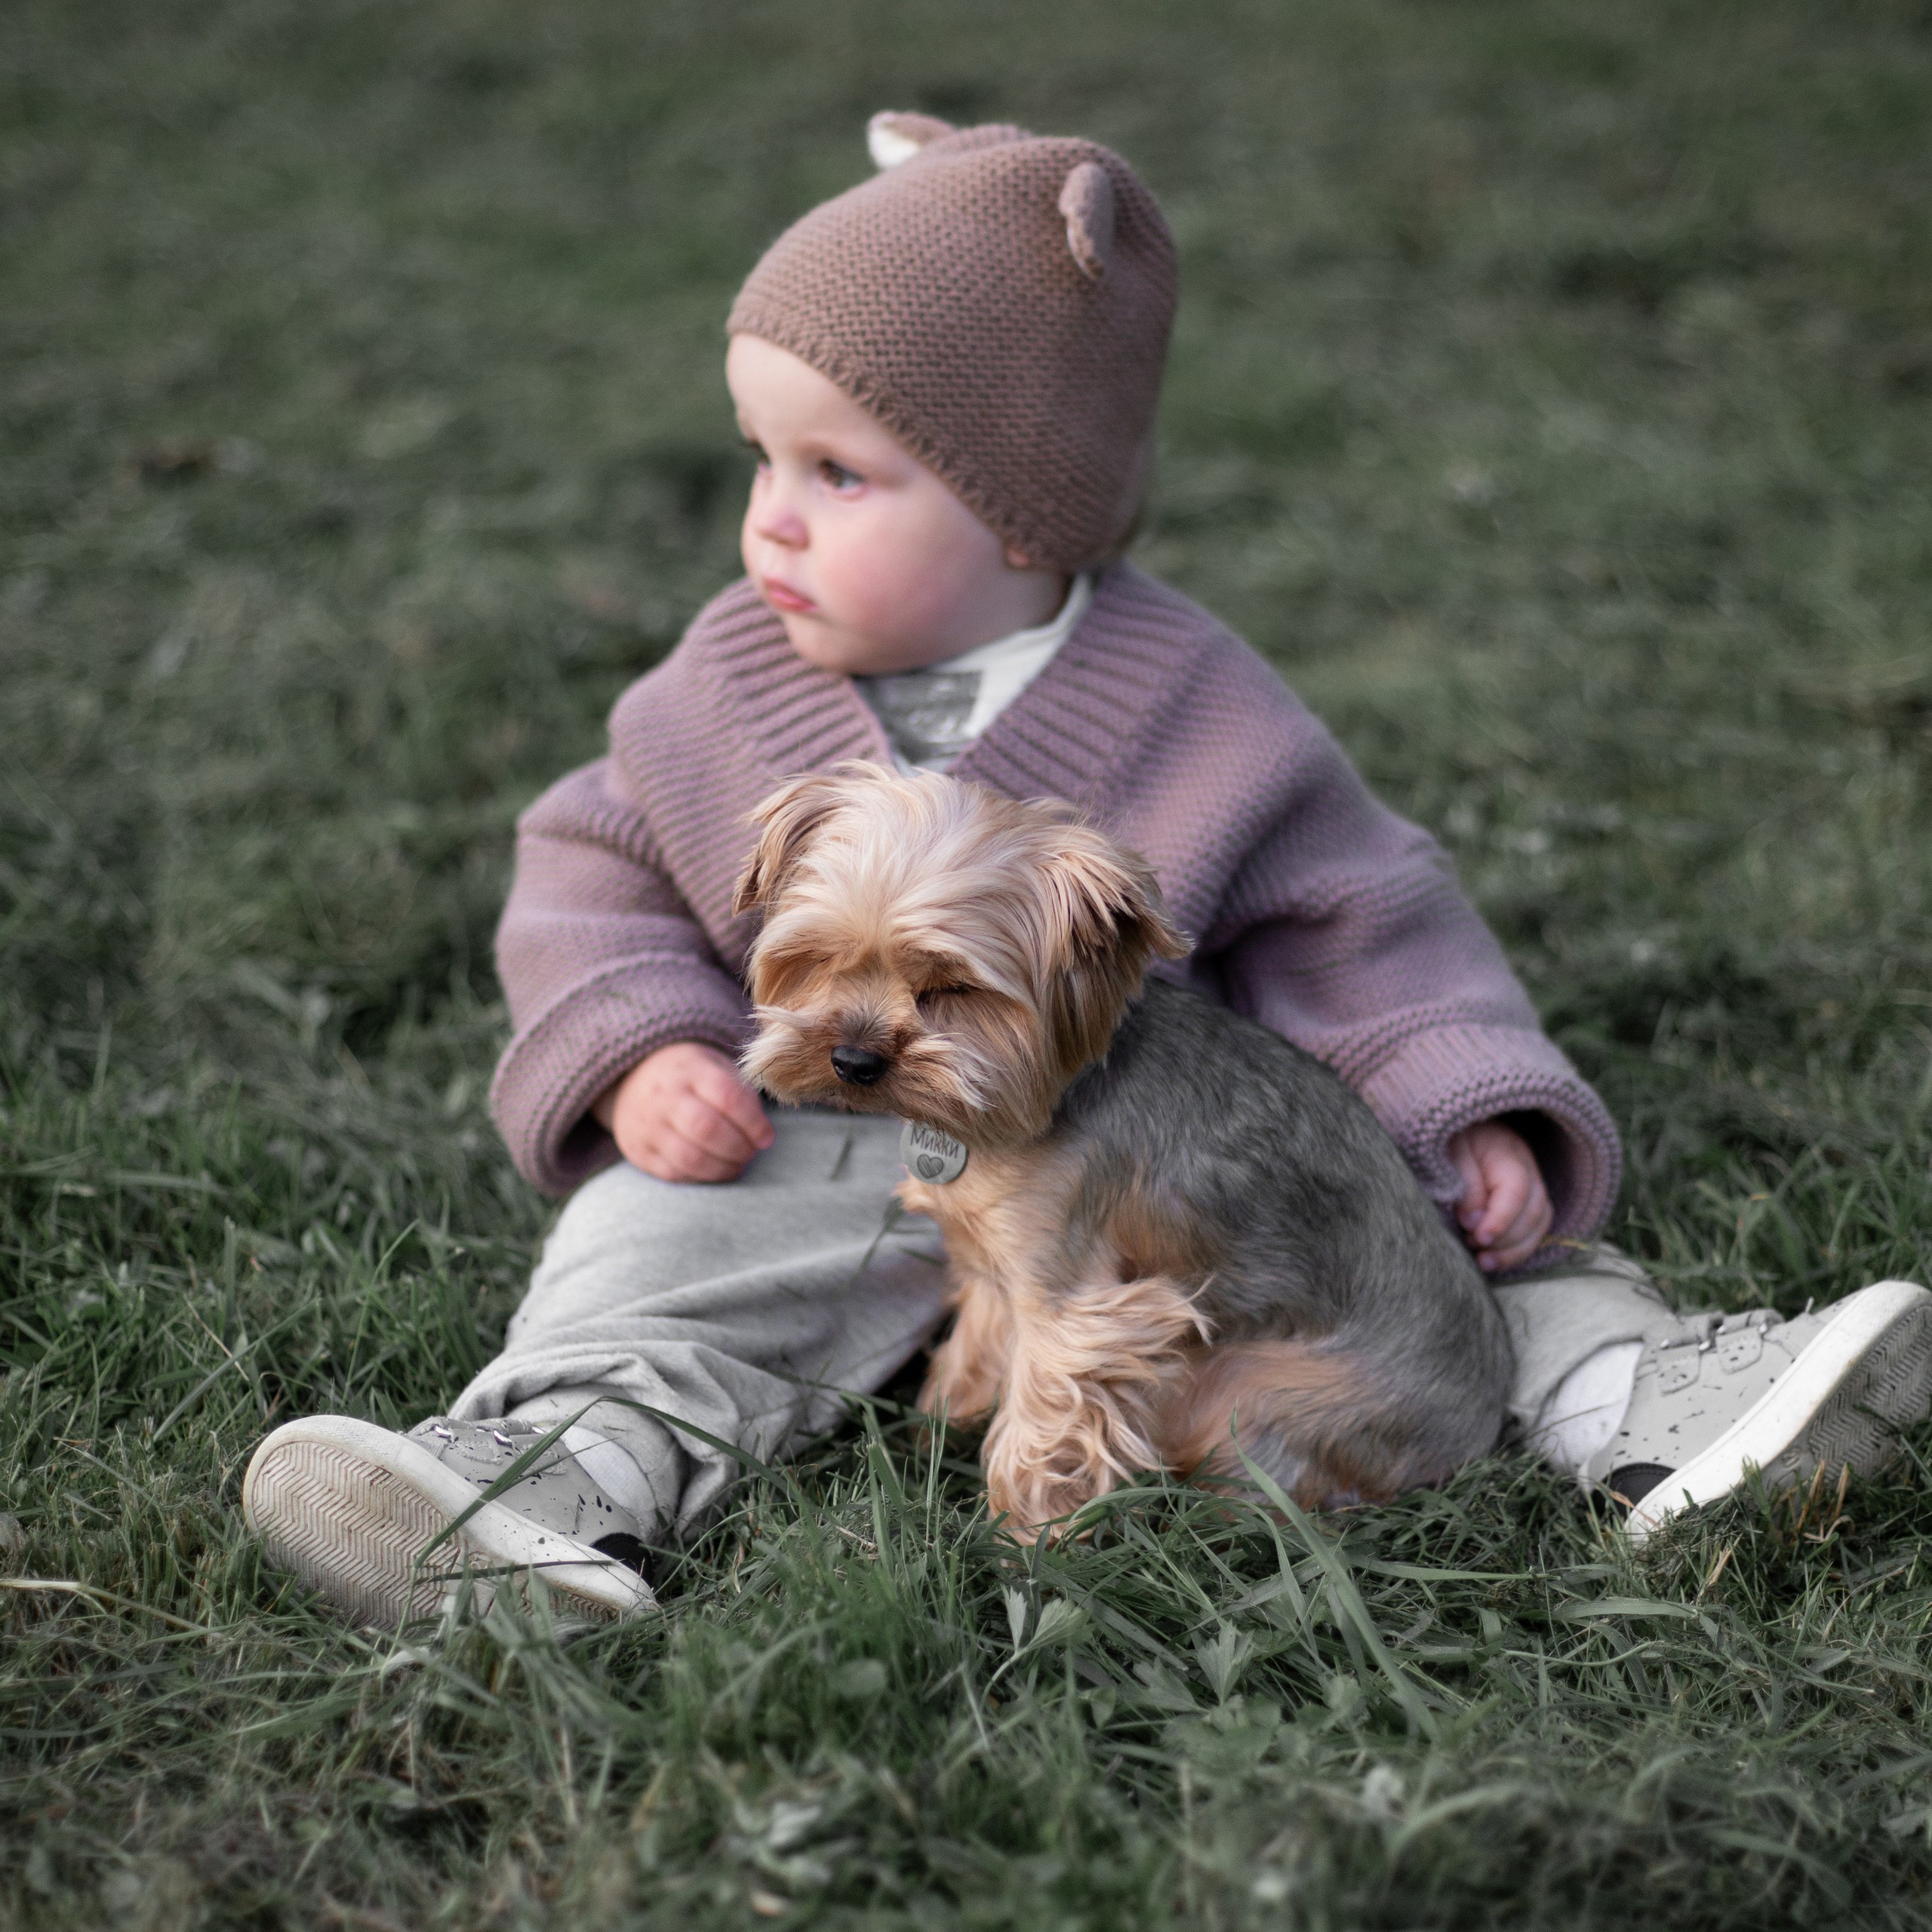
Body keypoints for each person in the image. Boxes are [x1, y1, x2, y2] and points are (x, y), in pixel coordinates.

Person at [243, 114, 1932, 1623]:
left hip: (1154, 1155)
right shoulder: (712, 689)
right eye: (757, 460)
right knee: (647, 1250)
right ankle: (551, 1466)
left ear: (1025, 516)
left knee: (1433, 1248)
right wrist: (639, 1050)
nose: (769, 518)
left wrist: (1460, 1096)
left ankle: (1654, 1400)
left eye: (836, 472)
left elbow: (1357, 918)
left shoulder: (1198, 705)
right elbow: (588, 871)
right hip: (801, 1149)